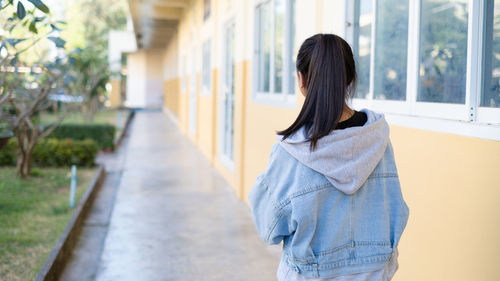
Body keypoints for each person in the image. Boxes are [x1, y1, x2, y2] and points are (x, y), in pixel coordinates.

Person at [248, 33, 409, 281]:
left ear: (301, 80)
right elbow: (396, 211)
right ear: (350, 78)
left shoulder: (290, 152)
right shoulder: (378, 140)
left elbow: (268, 227)